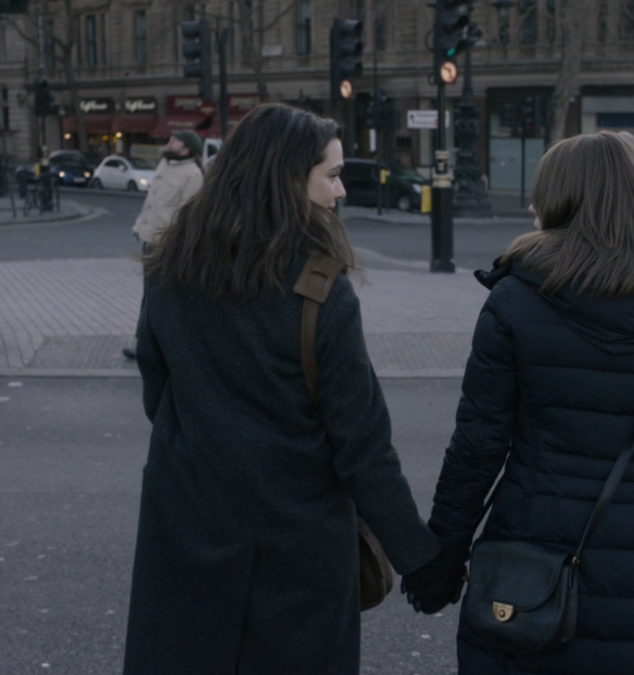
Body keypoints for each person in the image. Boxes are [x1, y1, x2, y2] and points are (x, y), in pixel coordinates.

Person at [122, 103, 446, 674]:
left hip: (188, 528)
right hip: (297, 546)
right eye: (333, 174)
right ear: (289, 178)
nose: (340, 192)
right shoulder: (320, 291)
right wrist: (420, 560)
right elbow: (362, 446)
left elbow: (158, 390)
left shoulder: (167, 267)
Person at [414, 132, 634, 674]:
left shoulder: (515, 301)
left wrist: (439, 563)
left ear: (562, 201)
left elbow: (477, 449)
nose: (532, 205)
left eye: (541, 193)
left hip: (531, 566)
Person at [122, 131, 206, 360]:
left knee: (159, 294)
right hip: (149, 239)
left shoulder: (193, 174)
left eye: (176, 140)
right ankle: (147, 343)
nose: (170, 141)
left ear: (187, 149)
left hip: (167, 244)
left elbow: (188, 215)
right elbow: (151, 202)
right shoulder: (164, 165)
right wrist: (139, 227)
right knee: (150, 293)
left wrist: (177, 244)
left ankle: (154, 345)